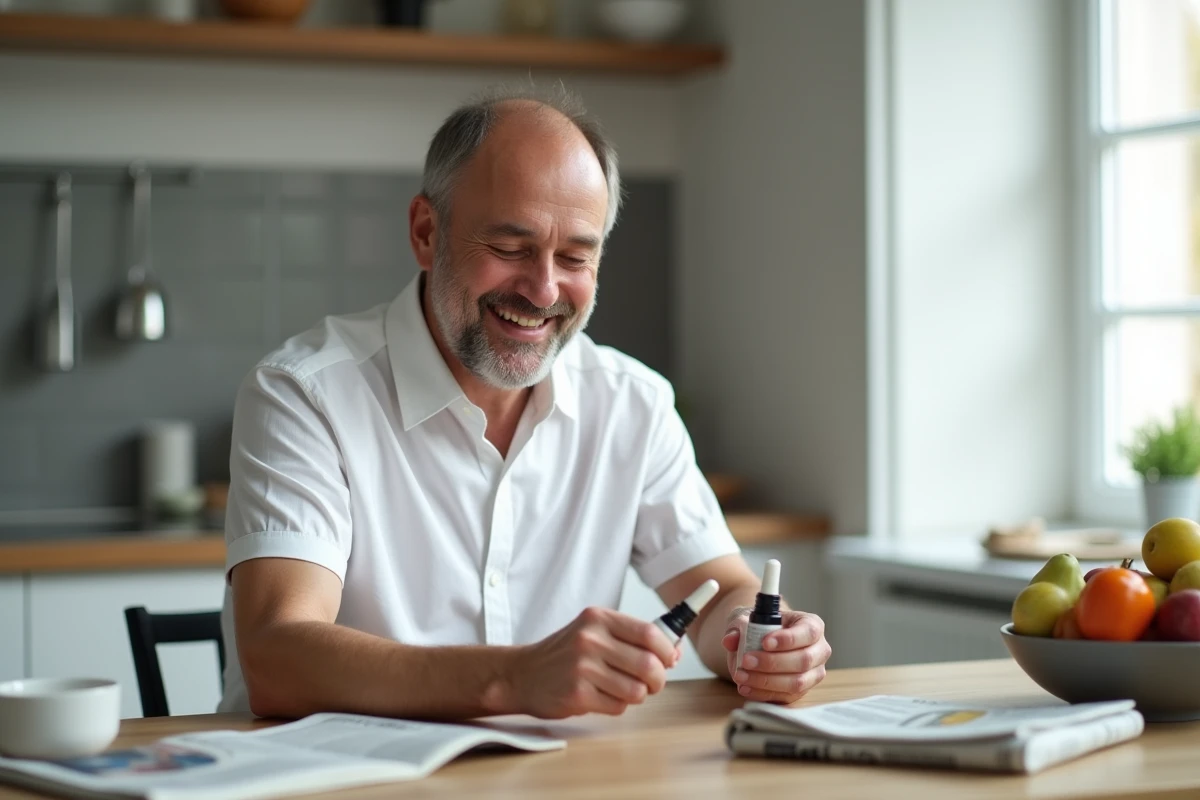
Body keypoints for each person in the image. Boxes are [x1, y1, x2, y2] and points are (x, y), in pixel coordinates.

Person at [217, 85, 831, 720]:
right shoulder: (305, 394)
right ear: (427, 233)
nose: (542, 290)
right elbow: (276, 656)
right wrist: (512, 679)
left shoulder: (632, 403)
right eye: (510, 248)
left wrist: (757, 640)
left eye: (574, 257)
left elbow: (722, 588)